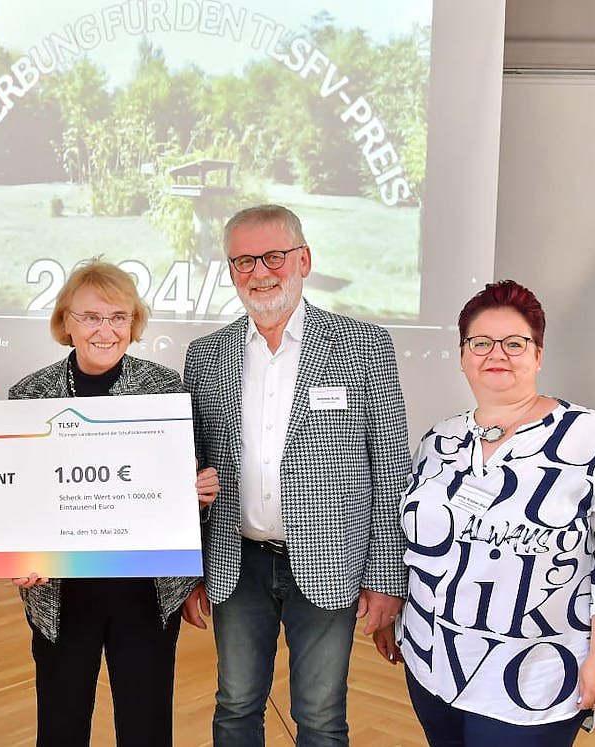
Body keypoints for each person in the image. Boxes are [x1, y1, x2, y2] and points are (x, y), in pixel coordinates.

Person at [181, 204, 409, 745]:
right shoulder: (206, 356)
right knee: (235, 706)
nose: (259, 272)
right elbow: (192, 471)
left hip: (331, 562)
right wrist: (189, 572)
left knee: (321, 716)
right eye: (243, 261)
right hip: (236, 564)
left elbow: (391, 468)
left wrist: (387, 580)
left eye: (274, 257)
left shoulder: (364, 346)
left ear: (304, 260)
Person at [9, 260, 219, 746]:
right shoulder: (29, 395)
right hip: (61, 592)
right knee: (60, 730)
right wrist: (18, 555)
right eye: (90, 317)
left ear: (133, 323)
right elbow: (19, 499)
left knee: (146, 730)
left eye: (118, 317)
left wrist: (198, 496)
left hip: (144, 592)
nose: (105, 330)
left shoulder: (167, 389)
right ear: (65, 322)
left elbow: (187, 490)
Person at [397, 280, 595, 745]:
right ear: (462, 355)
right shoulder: (439, 440)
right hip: (432, 661)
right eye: (481, 343)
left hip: (533, 677)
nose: (497, 353)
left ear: (538, 355)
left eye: (514, 343)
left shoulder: (590, 438)